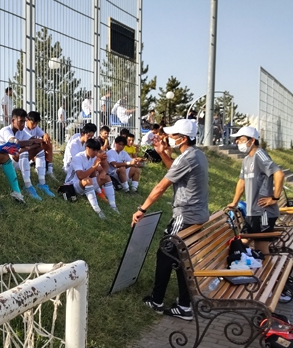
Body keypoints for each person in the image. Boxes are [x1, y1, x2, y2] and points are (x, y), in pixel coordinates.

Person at [132, 119, 209, 321]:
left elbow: (161, 187)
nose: (169, 138)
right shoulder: (197, 155)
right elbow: (174, 170)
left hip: (185, 215)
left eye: (173, 135)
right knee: (181, 259)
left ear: (183, 138)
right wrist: (162, 153)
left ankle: (157, 300)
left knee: (165, 254)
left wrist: (142, 209)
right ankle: (184, 305)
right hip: (197, 215)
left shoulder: (187, 158)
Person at [227, 127, 284, 236]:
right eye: (237, 140)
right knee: (244, 240)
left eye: (241, 139)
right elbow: (241, 182)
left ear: (252, 140)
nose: (238, 142)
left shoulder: (260, 154)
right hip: (252, 211)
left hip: (263, 212)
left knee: (260, 243)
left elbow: (279, 174)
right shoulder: (246, 159)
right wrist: (234, 202)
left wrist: (275, 198)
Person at [0, 108, 55, 201]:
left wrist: (33, 143)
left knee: (39, 149)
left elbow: (35, 141)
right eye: (21, 121)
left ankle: (42, 184)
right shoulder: (6, 130)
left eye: (24, 121)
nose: (23, 124)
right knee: (23, 150)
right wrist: (31, 143)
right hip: (3, 164)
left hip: (15, 160)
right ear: (13, 121)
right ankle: (28, 186)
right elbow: (15, 143)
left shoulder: (21, 131)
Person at [64, 138, 119, 218]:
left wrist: (103, 173)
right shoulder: (78, 158)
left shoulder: (93, 157)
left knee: (107, 178)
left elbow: (103, 169)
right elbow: (80, 176)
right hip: (72, 185)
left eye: (97, 150)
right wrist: (94, 166)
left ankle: (113, 207)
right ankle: (98, 210)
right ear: (87, 148)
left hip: (85, 185)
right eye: (94, 150)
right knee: (88, 180)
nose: (96, 152)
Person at [24, 111, 55, 177]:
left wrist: (45, 135)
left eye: (36, 123)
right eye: (33, 123)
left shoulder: (35, 127)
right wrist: (42, 140)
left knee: (48, 144)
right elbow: (31, 141)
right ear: (27, 120)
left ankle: (50, 170)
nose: (34, 125)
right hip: (25, 151)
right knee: (37, 146)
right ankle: (36, 165)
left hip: (33, 149)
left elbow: (43, 135)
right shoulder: (23, 128)